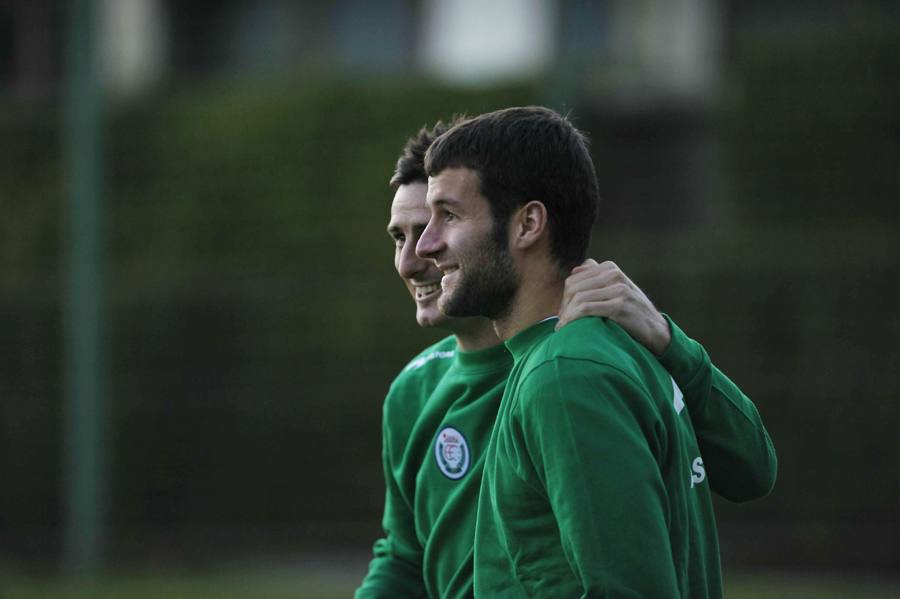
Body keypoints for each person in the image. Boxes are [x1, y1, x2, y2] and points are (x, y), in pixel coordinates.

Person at [357, 117, 776, 598]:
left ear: (528, 224)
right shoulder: (423, 388)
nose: (418, 254)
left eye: (446, 217)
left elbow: (750, 471)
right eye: (400, 236)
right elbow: (404, 557)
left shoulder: (565, 373)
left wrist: (667, 338)